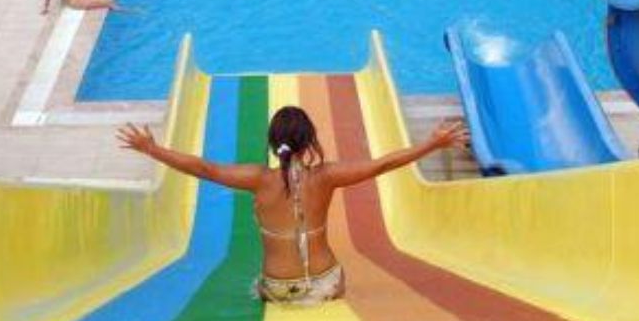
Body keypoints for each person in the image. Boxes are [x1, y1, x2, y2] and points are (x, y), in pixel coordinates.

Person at [117, 106, 469, 306]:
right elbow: (382, 164)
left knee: (264, 286)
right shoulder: (326, 176)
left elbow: (205, 168)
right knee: (338, 278)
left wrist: (152, 149)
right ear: (310, 141)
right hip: (325, 282)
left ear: (274, 144)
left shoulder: (258, 179)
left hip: (276, 287)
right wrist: (432, 144)